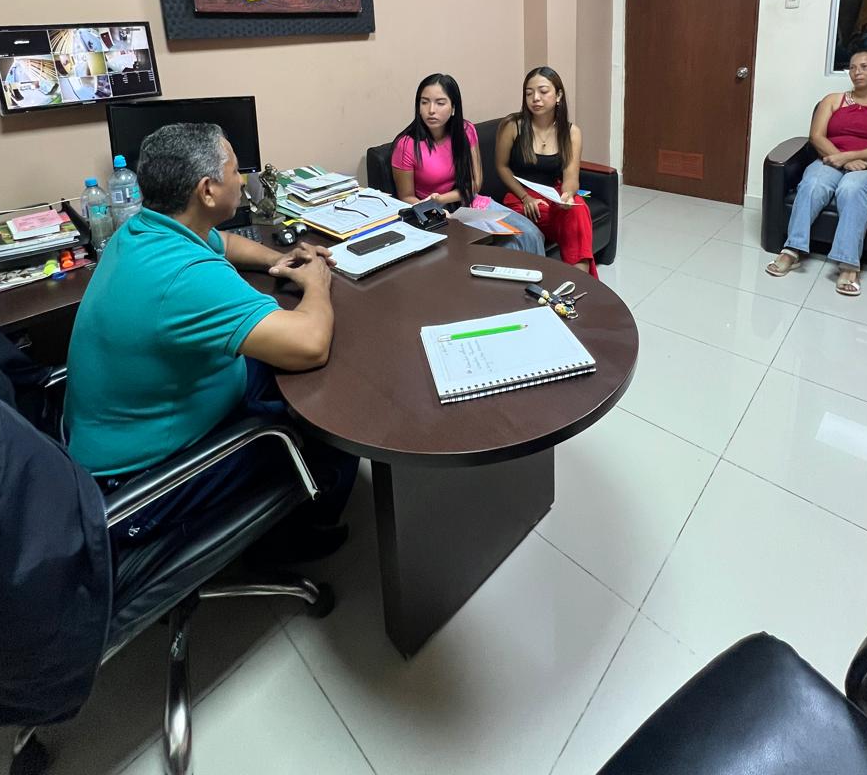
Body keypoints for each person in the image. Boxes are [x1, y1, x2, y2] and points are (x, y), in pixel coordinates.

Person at [64, 122, 358, 559]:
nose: (242, 179)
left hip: (121, 430)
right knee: (333, 425)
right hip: (142, 484)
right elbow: (311, 344)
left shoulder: (143, 228)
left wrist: (280, 260)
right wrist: (316, 282)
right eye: (235, 171)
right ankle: (297, 537)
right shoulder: (185, 277)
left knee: (286, 377)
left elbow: (224, 242)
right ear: (207, 190)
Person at [766, 48, 867, 295]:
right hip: (830, 160)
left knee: (851, 188)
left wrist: (849, 157)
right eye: (852, 67)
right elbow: (816, 136)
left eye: (864, 66)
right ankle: (792, 249)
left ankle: (849, 264)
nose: (857, 72)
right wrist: (842, 161)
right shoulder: (833, 100)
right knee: (812, 184)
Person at [390, 73, 545, 255]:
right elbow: (406, 197)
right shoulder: (406, 145)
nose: (431, 110)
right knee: (507, 249)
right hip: (435, 214)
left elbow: (474, 184)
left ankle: (540, 275)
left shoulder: (465, 130)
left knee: (532, 234)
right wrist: (435, 208)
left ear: (453, 107)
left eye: (440, 103)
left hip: (469, 203)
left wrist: (441, 199)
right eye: (424, 102)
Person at [495, 66, 597, 275]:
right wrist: (525, 197)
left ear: (558, 95)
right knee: (542, 218)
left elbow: (571, 176)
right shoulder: (513, 125)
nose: (535, 98)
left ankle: (578, 281)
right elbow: (501, 167)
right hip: (520, 200)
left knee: (578, 208)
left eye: (543, 91)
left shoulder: (571, 132)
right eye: (529, 93)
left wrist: (567, 195)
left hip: (553, 198)